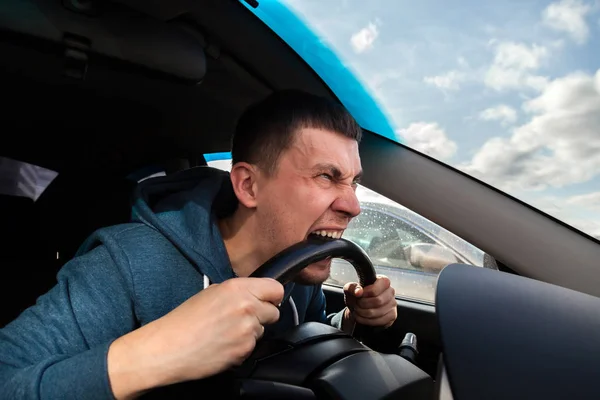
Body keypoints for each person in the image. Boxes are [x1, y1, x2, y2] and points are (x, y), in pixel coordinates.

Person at [0, 89, 397, 399]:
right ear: (248, 185)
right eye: (327, 176)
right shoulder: (128, 263)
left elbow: (296, 351)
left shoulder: (298, 268)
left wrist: (349, 322)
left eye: (353, 181)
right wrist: (159, 350)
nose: (353, 205)